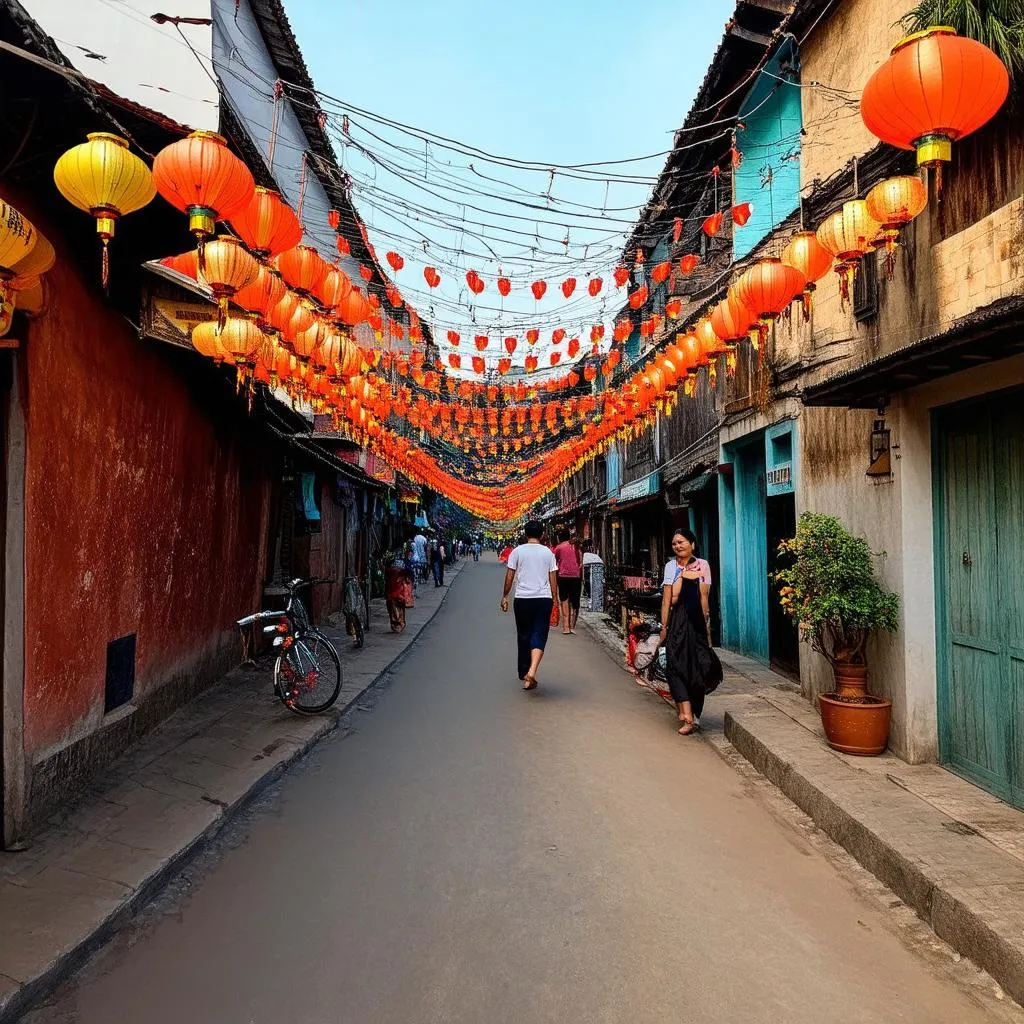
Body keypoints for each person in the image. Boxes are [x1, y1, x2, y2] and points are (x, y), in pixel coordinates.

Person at [659, 528, 722, 735]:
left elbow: (704, 598)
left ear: (692, 544)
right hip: (677, 622)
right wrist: (664, 627)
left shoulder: (702, 565)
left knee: (697, 669)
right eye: (675, 543)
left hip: (696, 623)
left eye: (682, 542)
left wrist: (706, 628)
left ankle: (693, 715)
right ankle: (686, 713)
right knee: (674, 665)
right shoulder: (670, 566)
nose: (678, 546)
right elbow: (668, 599)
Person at [500, 520, 558, 690]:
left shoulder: (517, 552)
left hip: (522, 599)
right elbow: (553, 577)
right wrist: (554, 598)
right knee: (539, 633)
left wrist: (505, 596)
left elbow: (510, 575)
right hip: (543, 599)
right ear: (542, 534)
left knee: (524, 635)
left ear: (526, 534)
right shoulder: (548, 553)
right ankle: (532, 671)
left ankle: (526, 673)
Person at [553, 530, 583, 635]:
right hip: (576, 577)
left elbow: (554, 562)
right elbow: (581, 562)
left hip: (563, 577)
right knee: (575, 602)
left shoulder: (559, 548)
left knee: (564, 600)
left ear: (559, 538)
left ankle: (566, 627)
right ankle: (572, 626)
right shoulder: (576, 547)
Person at [385, 549, 414, 632]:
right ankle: (398, 623)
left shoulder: (390, 568)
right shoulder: (400, 566)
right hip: (396, 590)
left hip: (394, 590)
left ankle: (397, 623)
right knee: (397, 607)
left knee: (393, 607)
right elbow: (410, 573)